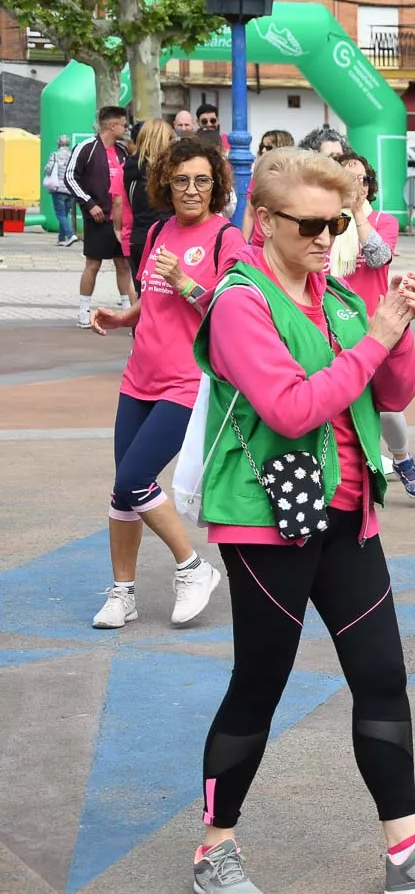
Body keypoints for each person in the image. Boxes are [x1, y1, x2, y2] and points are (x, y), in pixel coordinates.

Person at [189, 147, 415, 894]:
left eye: (342, 221)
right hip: (269, 518)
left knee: (383, 674)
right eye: (313, 224)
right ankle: (214, 849)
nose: (328, 238)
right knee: (259, 683)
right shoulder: (240, 300)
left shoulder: (341, 296)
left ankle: (407, 850)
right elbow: (291, 407)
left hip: (349, 512)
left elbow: (396, 389)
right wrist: (376, 334)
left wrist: (398, 321)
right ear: (262, 221)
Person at [85, 138, 241, 631]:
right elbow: (151, 301)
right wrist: (120, 317)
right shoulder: (157, 232)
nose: (191, 190)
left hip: (186, 382)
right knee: (121, 490)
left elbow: (232, 311)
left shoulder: (227, 239)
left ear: (215, 185)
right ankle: (123, 593)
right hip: (139, 378)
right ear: (165, 185)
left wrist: (188, 285)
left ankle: (193, 568)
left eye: (201, 180)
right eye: (181, 181)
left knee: (135, 479)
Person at [336, 152, 415, 500]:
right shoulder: (325, 220)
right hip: (335, 322)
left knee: (388, 404)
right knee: (347, 400)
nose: (352, 184)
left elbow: (377, 256)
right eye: (344, 176)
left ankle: (402, 456)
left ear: (369, 184)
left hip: (377, 321)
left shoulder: (383, 221)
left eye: (359, 178)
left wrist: (357, 210)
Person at [67, 105, 135, 328]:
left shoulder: (124, 152)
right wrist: (89, 204)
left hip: (120, 219)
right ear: (111, 125)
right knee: (93, 264)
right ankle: (83, 312)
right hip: (96, 218)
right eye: (123, 125)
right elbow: (70, 177)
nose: (126, 129)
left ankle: (128, 311)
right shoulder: (86, 148)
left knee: (123, 264)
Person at [125, 119, 176, 282]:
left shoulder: (131, 167)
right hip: (163, 236)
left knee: (143, 293)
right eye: (170, 139)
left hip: (139, 235)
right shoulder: (162, 172)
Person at [42, 134, 79, 246]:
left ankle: (70, 235)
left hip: (58, 188)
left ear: (58, 144)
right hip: (70, 189)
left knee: (60, 214)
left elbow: (48, 170)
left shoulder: (55, 155)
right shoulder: (73, 155)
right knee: (65, 214)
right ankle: (61, 238)